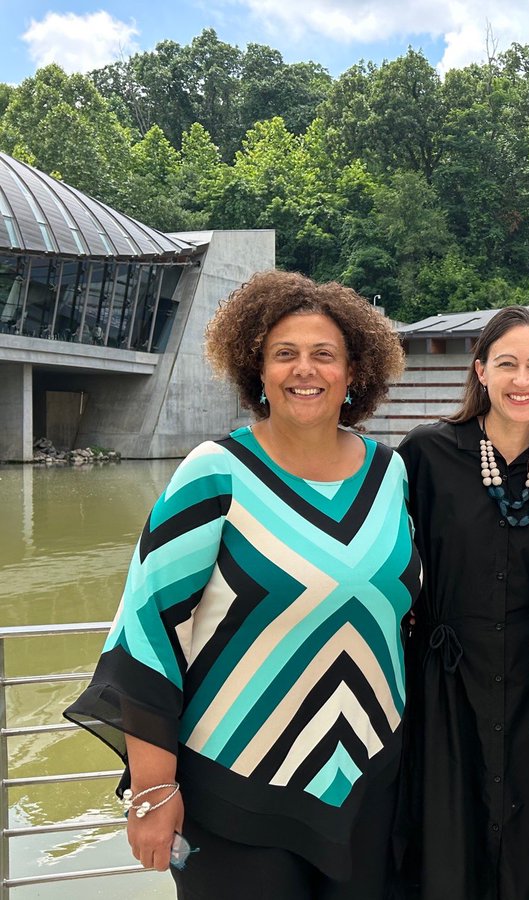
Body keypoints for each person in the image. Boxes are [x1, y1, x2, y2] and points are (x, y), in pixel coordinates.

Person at [64, 270, 420, 898]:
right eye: (283, 354)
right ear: (256, 369)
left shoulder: (391, 474)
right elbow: (148, 631)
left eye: (323, 355)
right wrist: (152, 791)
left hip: (371, 785)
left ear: (354, 371)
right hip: (236, 788)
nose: (303, 370)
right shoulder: (216, 472)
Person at [395, 307, 529, 900]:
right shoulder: (427, 453)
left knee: (518, 850)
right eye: (506, 364)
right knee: (443, 844)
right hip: (443, 684)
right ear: (480, 371)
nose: (521, 379)